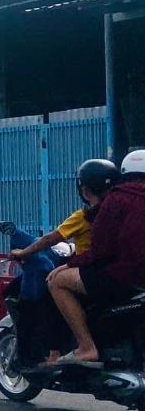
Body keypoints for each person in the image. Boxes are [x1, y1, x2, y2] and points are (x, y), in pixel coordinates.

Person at [9, 158, 117, 363]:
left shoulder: (84, 217)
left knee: (51, 290)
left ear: (84, 190)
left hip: (92, 272)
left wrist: (24, 253)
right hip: (116, 271)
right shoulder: (119, 212)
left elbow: (50, 239)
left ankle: (59, 351)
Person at [48, 149, 145, 364]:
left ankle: (86, 347)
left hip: (126, 277)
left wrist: (69, 265)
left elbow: (100, 249)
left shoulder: (117, 199)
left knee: (57, 281)